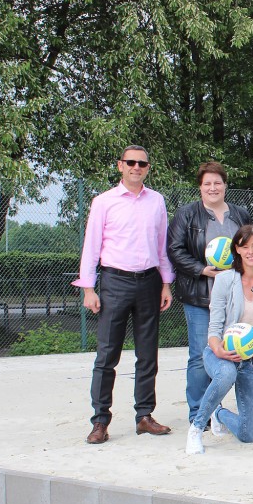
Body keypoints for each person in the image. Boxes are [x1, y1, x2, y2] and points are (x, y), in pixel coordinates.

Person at [75, 145, 174, 445]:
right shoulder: (104, 202)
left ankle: (144, 416)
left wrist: (166, 283)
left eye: (142, 163)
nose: (136, 167)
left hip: (149, 283)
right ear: (120, 166)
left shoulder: (156, 201)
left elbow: (162, 246)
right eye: (130, 162)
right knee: (107, 356)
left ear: (147, 168)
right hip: (115, 282)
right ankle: (100, 420)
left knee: (148, 355)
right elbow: (91, 246)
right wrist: (89, 288)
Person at [185, 225, 253, 454]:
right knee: (227, 373)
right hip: (221, 354)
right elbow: (214, 328)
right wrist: (218, 350)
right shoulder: (225, 280)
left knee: (251, 435)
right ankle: (197, 428)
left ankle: (218, 413)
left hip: (252, 358)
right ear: (237, 249)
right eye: (245, 246)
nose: (251, 251)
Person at [167, 162, 251, 424]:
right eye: (207, 184)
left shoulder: (240, 214)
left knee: (235, 353)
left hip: (234, 298)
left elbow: (251, 248)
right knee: (201, 354)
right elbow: (175, 250)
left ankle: (223, 411)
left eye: (217, 183)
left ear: (225, 185)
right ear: (200, 187)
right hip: (201, 296)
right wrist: (203, 270)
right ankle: (197, 414)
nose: (213, 188)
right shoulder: (187, 214)